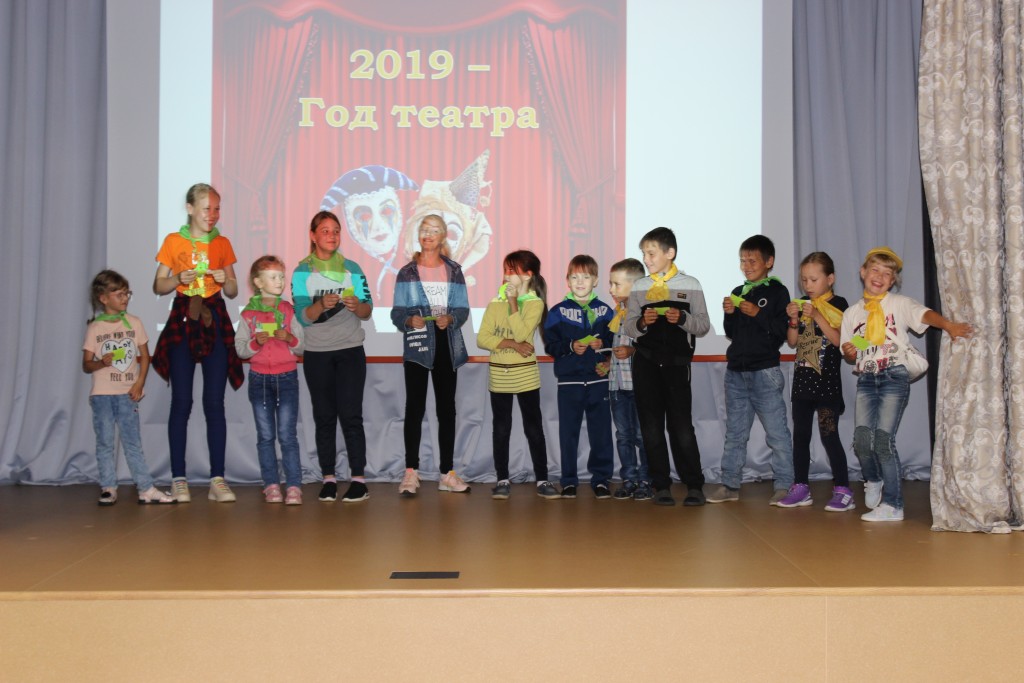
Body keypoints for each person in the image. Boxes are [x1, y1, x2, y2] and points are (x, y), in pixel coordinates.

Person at [840, 246, 971, 522]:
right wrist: (851, 351)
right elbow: (857, 346)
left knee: (883, 440)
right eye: (875, 270)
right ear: (863, 272)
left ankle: (893, 505)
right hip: (867, 378)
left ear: (893, 281)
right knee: (862, 439)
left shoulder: (898, 304)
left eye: (887, 274)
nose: (879, 276)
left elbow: (924, 315)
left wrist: (948, 325)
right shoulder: (852, 313)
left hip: (894, 375)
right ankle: (873, 479)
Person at [152, 183, 243, 503]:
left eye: (217, 209)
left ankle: (218, 479)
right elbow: (158, 285)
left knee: (214, 402)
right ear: (190, 209)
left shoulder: (222, 243)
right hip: (184, 317)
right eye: (206, 208)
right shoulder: (173, 241)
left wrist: (225, 280)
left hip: (214, 317)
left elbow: (233, 290)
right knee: (181, 401)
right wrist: (177, 278)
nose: (212, 214)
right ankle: (179, 478)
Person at [623, 228, 711, 506]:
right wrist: (642, 322)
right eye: (644, 254)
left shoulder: (691, 284)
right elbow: (629, 327)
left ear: (669, 253)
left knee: (681, 428)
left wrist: (682, 318)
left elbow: (703, 325)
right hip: (646, 363)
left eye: (651, 253)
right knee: (650, 428)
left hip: (677, 365)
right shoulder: (639, 286)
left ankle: (694, 485)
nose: (646, 259)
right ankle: (660, 484)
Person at [707, 234, 794, 505]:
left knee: (777, 433)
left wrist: (758, 313)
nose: (746, 266)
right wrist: (729, 313)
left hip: (765, 372)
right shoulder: (739, 290)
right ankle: (729, 484)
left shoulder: (778, 292)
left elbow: (781, 332)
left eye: (752, 261)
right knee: (735, 433)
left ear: (769, 262)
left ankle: (784, 485)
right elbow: (732, 332)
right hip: (736, 372)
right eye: (742, 261)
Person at [293, 210, 373, 503]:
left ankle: (359, 480)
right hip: (317, 354)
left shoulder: (352, 268)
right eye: (325, 230)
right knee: (324, 417)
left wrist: (356, 305)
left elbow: (368, 310)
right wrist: (321, 305)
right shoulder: (302, 272)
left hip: (350, 350)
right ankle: (328, 479)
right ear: (313, 236)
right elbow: (303, 316)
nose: (332, 235)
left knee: (351, 416)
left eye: (336, 231)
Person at [391, 214, 472, 495]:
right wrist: (407, 320)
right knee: (414, 408)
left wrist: (451, 318)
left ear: (443, 236)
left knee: (446, 409)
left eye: (434, 230)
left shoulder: (454, 271)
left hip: (446, 343)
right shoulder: (406, 273)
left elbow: (462, 309)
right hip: (417, 343)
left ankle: (447, 473)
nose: (428, 234)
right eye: (424, 229)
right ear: (418, 233)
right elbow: (396, 313)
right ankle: (410, 472)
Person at [83, 270, 175, 506]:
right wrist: (101, 363)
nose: (125, 298)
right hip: (102, 395)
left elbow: (144, 357)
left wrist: (139, 383)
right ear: (104, 298)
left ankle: (145, 488)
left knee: (132, 442)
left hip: (127, 394)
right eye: (119, 294)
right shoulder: (95, 328)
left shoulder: (134, 323)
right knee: (105, 442)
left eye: (127, 294)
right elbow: (86, 364)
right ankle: (108, 487)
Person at [477, 250, 558, 499]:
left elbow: (523, 333)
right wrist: (512, 344)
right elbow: (482, 338)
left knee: (533, 429)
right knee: (501, 429)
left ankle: (542, 480)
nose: (506, 275)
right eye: (505, 269)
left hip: (526, 376)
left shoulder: (535, 303)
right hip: (499, 375)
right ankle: (502, 479)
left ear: (528, 275)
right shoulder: (495, 302)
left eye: (512, 270)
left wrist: (513, 303)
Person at [776, 252, 853, 511]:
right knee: (800, 436)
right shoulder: (802, 304)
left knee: (829, 435)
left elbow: (839, 340)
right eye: (804, 280)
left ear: (830, 279)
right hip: (803, 382)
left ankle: (843, 489)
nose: (808, 285)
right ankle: (800, 487)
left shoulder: (839, 304)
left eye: (813, 279)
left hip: (827, 384)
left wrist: (818, 315)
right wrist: (793, 319)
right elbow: (792, 342)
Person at [543, 254, 615, 499]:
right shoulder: (557, 311)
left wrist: (603, 345)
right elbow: (550, 345)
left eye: (586, 277)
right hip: (569, 382)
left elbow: (615, 342)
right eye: (575, 277)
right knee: (568, 433)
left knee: (601, 433)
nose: (580, 282)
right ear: (567, 281)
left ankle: (601, 479)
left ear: (596, 280)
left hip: (598, 381)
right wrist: (570, 346)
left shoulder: (606, 311)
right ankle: (569, 481)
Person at [236, 256, 305, 505]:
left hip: (286, 377)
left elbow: (302, 346)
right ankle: (271, 484)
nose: (280, 281)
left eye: (282, 277)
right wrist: (256, 343)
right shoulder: (248, 313)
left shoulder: (288, 310)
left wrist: (289, 338)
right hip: (259, 380)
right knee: (265, 436)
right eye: (273, 277)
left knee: (287, 435)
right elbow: (240, 349)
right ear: (258, 282)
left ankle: (294, 485)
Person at [607, 258, 653, 501]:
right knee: (623, 436)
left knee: (643, 436)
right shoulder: (618, 312)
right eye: (611, 284)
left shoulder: (647, 313)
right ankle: (629, 479)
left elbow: (653, 346)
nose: (611, 289)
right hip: (617, 385)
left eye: (616, 284)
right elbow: (616, 345)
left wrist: (633, 350)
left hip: (640, 386)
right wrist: (607, 360)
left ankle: (646, 479)